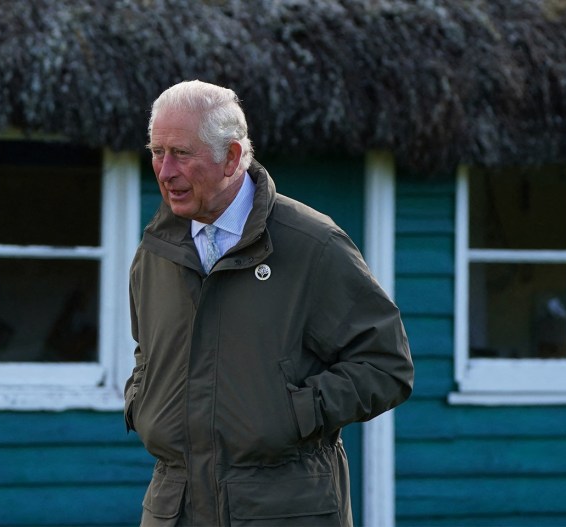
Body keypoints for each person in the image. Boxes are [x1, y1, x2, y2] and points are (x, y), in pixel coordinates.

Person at [124, 80, 414, 527]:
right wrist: (142, 402)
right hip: (172, 509)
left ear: (233, 158)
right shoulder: (155, 252)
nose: (164, 171)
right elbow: (148, 352)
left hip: (284, 509)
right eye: (157, 151)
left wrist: (293, 411)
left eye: (181, 153)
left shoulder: (313, 245)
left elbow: (386, 365)